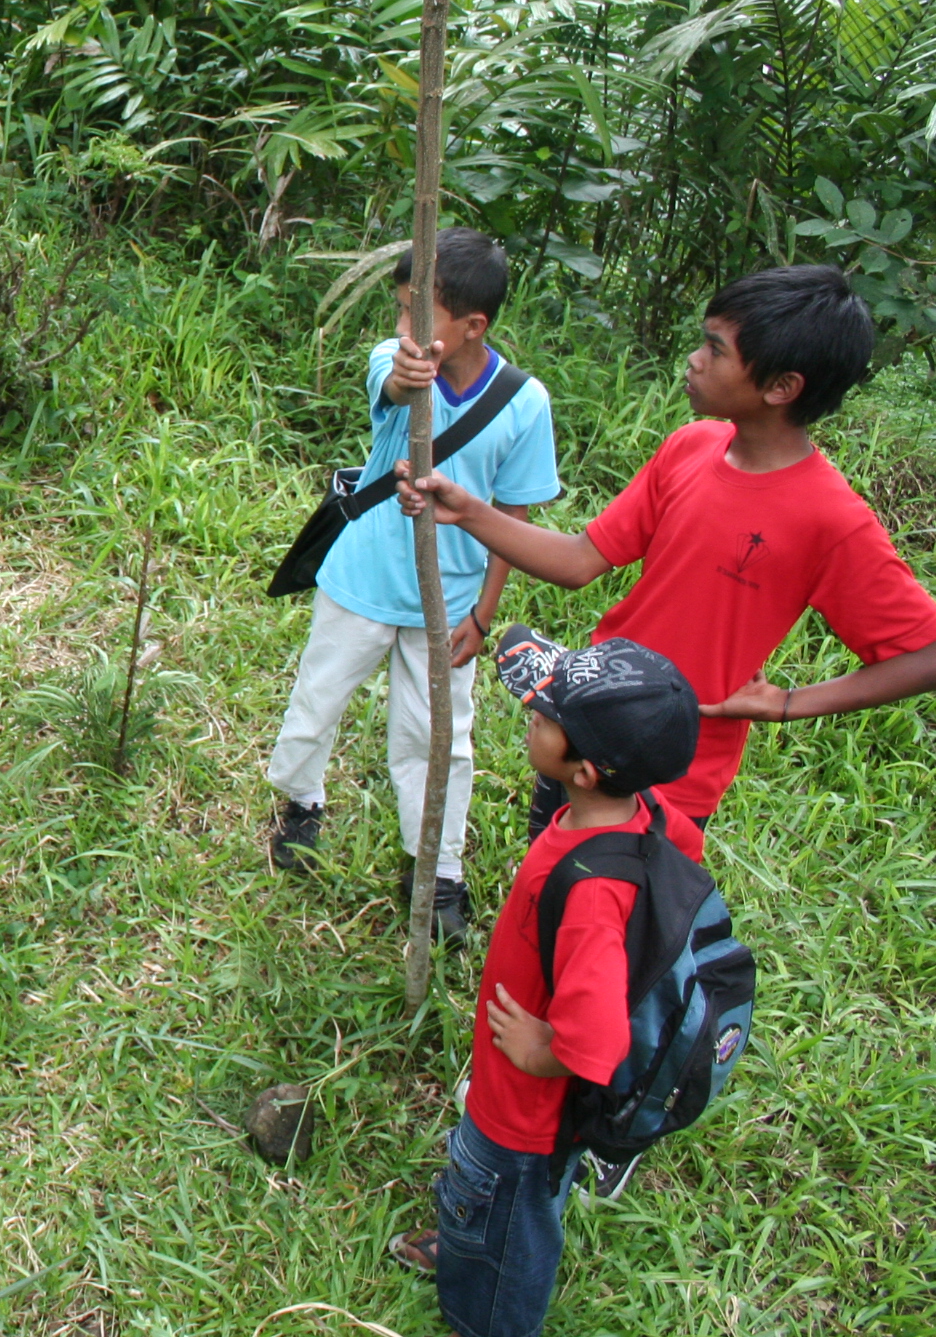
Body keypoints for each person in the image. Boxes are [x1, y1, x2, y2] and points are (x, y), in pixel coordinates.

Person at [400, 265, 936, 859]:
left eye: (715, 349)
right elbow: (581, 560)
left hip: (675, 774)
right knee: (552, 874)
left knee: (625, 917)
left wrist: (789, 703)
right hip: (583, 725)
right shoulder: (691, 446)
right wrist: (469, 511)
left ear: (781, 387)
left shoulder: (831, 519)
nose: (695, 359)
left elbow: (924, 655)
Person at [387, 629, 703, 1337]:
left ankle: (487, 1301)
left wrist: (541, 1051)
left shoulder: (591, 893)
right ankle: (472, 1239)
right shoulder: (639, 813)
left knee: (505, 1215)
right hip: (525, 1109)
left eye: (545, 717)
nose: (532, 716)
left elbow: (596, 1041)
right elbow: (688, 850)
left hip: (520, 1116)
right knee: (499, 1208)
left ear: (586, 769)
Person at [264, 230, 560, 940]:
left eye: (416, 315)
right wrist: (403, 373)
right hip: (361, 580)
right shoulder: (394, 366)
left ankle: (438, 868)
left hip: (448, 603)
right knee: (316, 701)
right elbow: (389, 386)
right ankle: (300, 803)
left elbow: (511, 518)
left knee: (437, 740)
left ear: (473, 325)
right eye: (398, 310)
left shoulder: (523, 404)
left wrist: (483, 616)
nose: (403, 330)